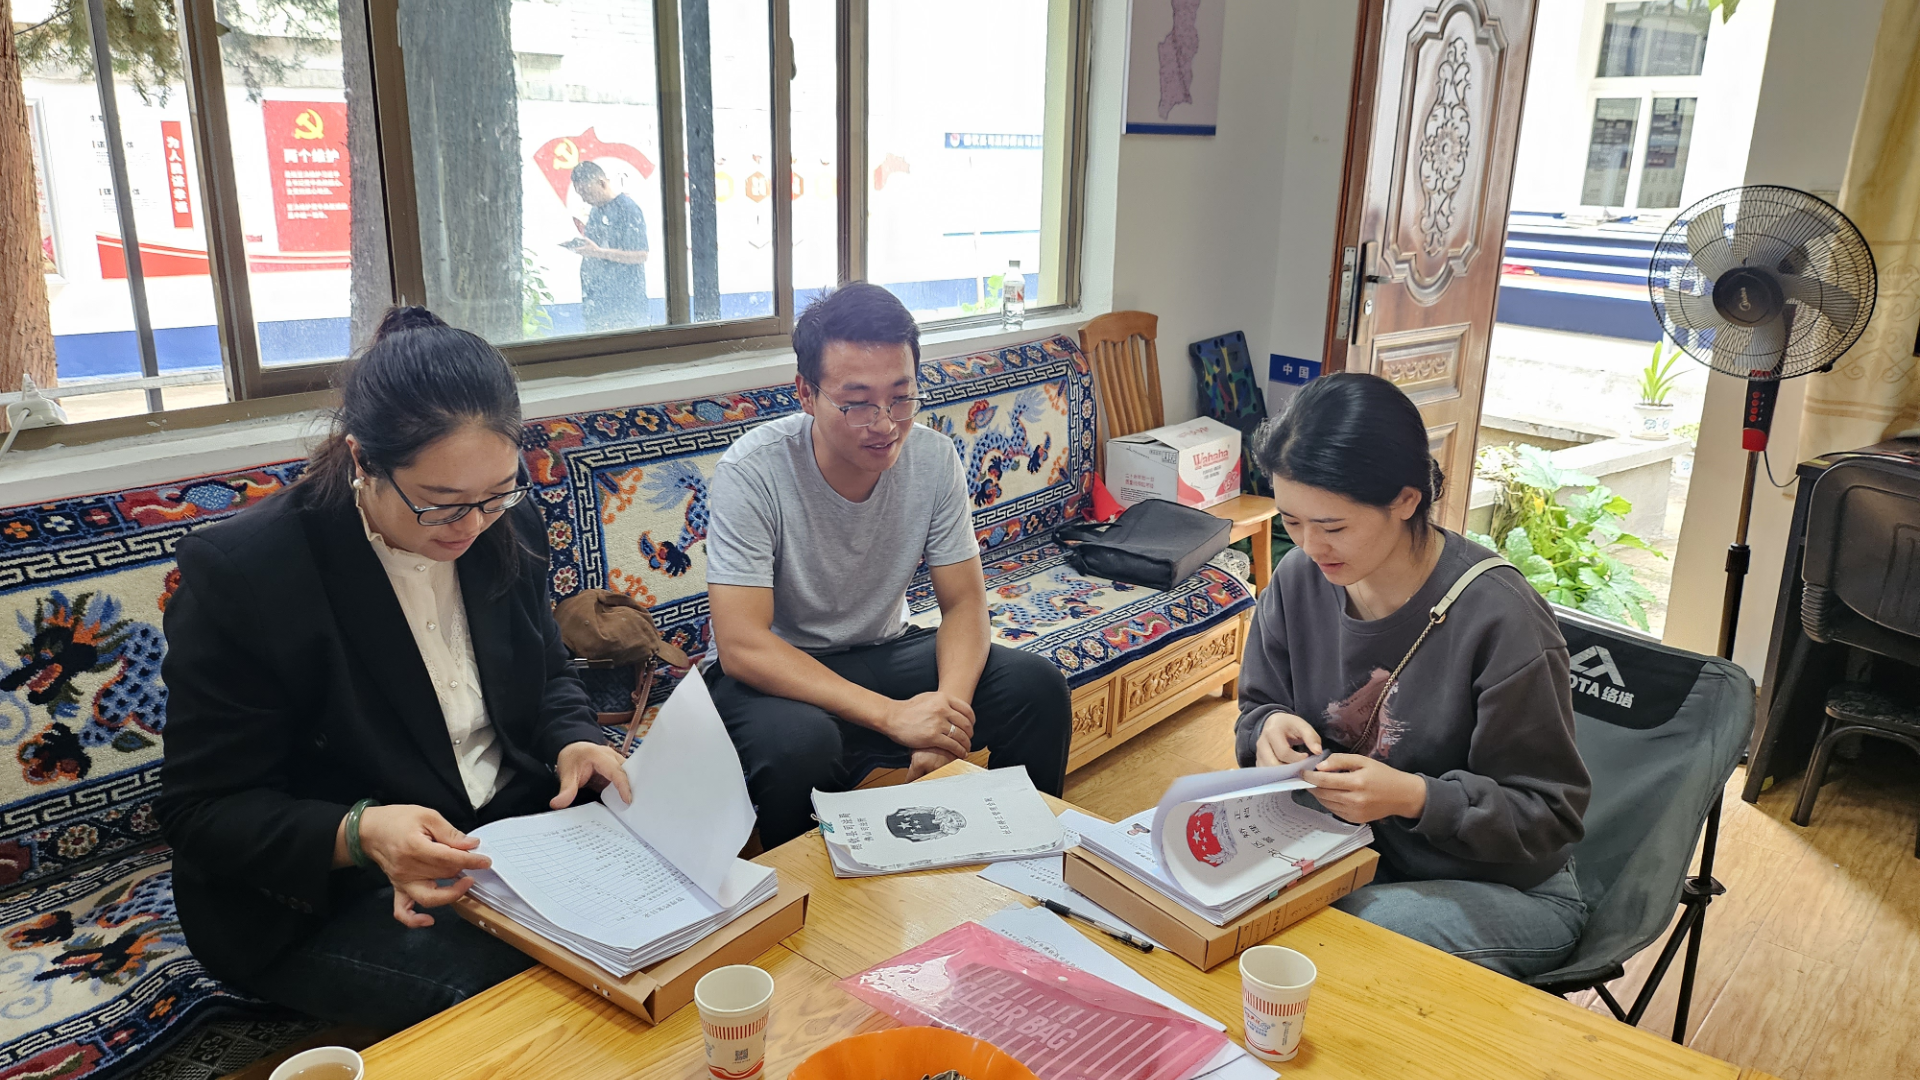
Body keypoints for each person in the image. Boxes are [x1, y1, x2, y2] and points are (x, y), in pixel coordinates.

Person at [157, 307, 632, 1030]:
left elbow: (545, 676)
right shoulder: (250, 574)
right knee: (532, 1003)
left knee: (673, 915)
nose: (472, 526)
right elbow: (203, 812)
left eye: (496, 493)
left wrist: (573, 738)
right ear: (362, 461)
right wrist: (360, 833)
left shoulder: (506, 524)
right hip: (323, 891)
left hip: (497, 837)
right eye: (440, 505)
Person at [1235, 372, 1591, 980]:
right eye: (1291, 522)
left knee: (1323, 941)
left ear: (1405, 500)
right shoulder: (1298, 580)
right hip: (1349, 855)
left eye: (1334, 526)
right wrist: (1266, 727)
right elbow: (1257, 709)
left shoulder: (1502, 619)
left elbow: (1549, 816)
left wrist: (1415, 797)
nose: (1311, 547)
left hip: (1500, 887)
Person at [703, 282, 1073, 847]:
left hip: (883, 648)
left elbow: (964, 604)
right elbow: (742, 645)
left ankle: (1023, 860)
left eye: (901, 397)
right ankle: (816, 899)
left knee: (1036, 688)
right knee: (799, 746)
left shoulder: (933, 458)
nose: (884, 423)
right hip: (775, 671)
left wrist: (944, 720)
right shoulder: (753, 473)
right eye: (857, 403)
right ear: (806, 393)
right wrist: (892, 717)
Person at [568, 160, 650, 330]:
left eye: (586, 192)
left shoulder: (628, 209)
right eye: (580, 194)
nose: (584, 199)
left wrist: (599, 252)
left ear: (602, 183)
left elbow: (641, 255)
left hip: (624, 306)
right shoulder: (596, 211)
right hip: (596, 303)